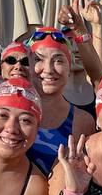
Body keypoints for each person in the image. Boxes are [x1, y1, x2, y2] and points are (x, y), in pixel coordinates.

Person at [22, 26, 95, 174]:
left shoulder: (82, 121)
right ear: (28, 65)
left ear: (69, 68)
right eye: (38, 59)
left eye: (58, 61)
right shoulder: (11, 115)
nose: (49, 70)